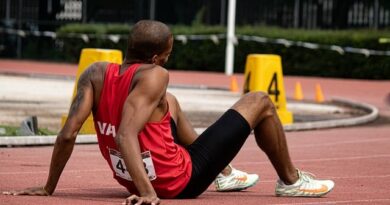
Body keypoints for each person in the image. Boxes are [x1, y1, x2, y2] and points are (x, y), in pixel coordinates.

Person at [3, 20, 334, 205]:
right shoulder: (156, 75)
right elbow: (125, 133)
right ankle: (290, 181)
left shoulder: (96, 73)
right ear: (158, 57)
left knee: (168, 102)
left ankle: (227, 172)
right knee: (260, 100)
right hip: (179, 182)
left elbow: (69, 132)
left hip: (128, 176)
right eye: (169, 54)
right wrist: (148, 193)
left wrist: (48, 187)